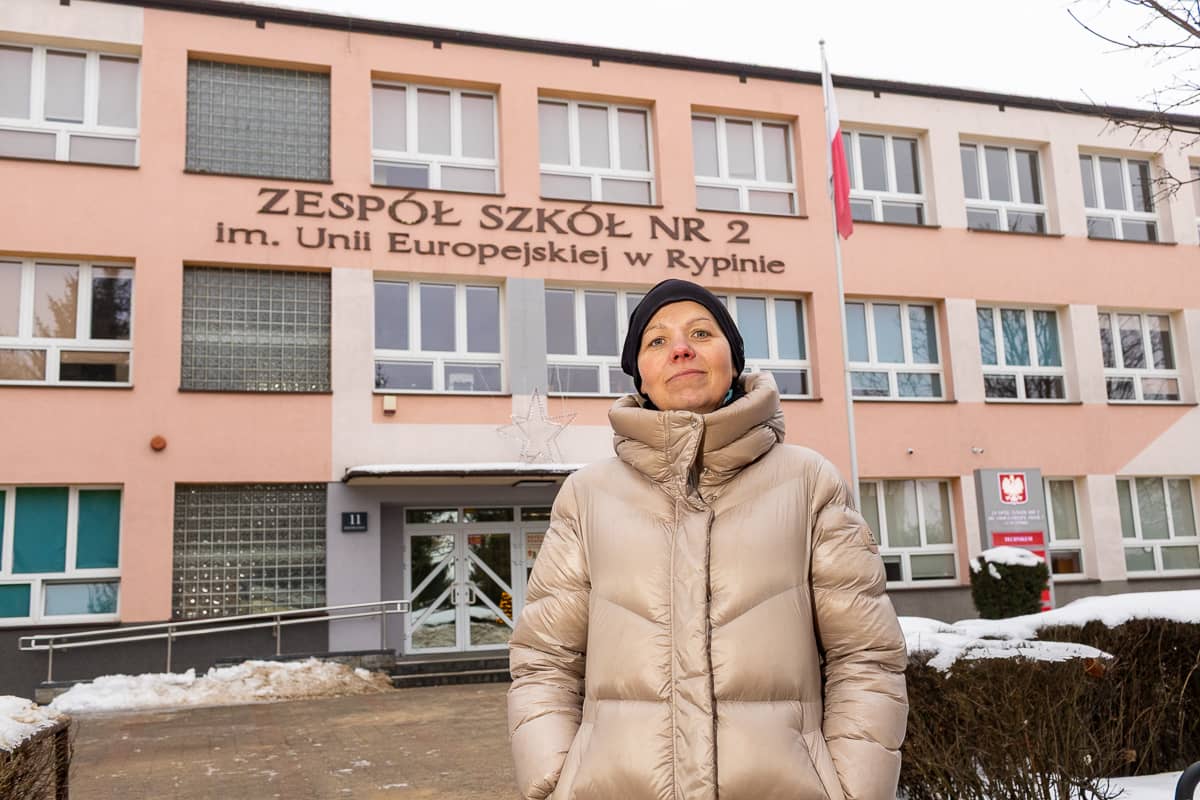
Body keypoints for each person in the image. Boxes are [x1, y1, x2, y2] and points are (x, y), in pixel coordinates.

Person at [507, 278, 908, 800]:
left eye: (702, 332)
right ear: (641, 377)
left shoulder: (809, 483)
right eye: (657, 341)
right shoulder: (587, 496)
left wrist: (853, 790)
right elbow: (545, 661)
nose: (680, 348)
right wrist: (554, 782)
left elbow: (866, 656)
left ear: (733, 362)